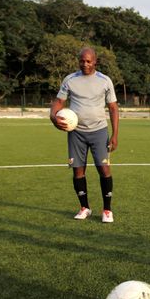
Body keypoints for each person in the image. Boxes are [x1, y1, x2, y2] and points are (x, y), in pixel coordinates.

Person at [50, 47, 119, 223]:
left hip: (99, 131)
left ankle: (107, 210)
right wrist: (53, 117)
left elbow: (113, 107)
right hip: (76, 132)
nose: (85, 64)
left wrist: (115, 134)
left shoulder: (105, 80)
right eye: (82, 61)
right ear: (78, 61)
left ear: (95, 61)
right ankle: (84, 207)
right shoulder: (70, 80)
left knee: (104, 169)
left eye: (89, 61)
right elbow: (59, 102)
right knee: (78, 171)